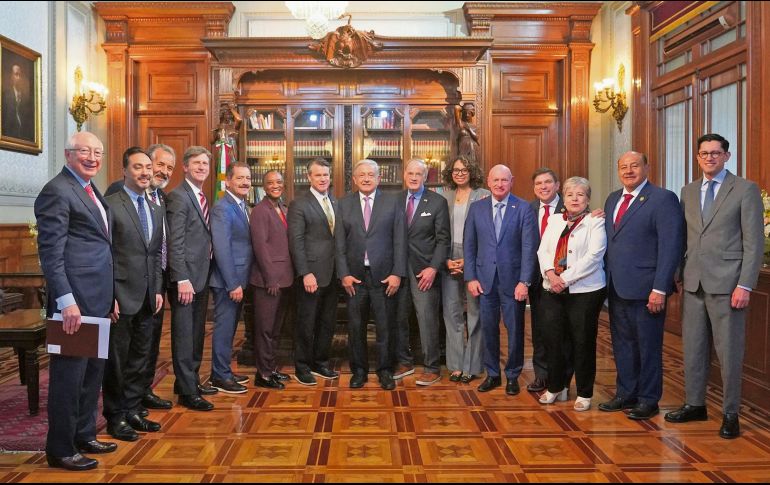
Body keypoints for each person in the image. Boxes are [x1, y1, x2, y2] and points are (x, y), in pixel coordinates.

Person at [665, 133, 764, 439]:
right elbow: (684, 235)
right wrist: (679, 273)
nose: (709, 157)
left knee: (729, 352)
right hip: (693, 283)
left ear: (727, 156)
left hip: (728, 284)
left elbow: (754, 242)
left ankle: (730, 412)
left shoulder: (745, 189)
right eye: (704, 153)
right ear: (697, 157)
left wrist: (745, 285)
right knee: (693, 349)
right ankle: (695, 404)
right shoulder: (689, 190)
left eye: (716, 153)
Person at [35, 131, 116, 471]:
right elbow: (51, 253)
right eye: (84, 151)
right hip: (74, 304)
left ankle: (84, 434)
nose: (92, 157)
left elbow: (101, 246)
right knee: (69, 377)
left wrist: (111, 297)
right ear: (68, 154)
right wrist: (66, 301)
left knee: (92, 373)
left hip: (98, 299)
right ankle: (61, 448)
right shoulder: (57, 190)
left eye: (97, 151)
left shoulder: (89, 189)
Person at [599, 151, 684, 420]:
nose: (628, 171)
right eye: (623, 167)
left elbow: (671, 247)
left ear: (647, 167)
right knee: (622, 344)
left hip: (647, 289)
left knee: (648, 346)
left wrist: (660, 288)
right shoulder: (613, 199)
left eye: (634, 165)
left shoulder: (663, 199)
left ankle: (648, 399)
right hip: (617, 286)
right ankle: (626, 393)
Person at [104, 143, 177, 412]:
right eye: (141, 166)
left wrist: (157, 288)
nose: (148, 172)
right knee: (118, 359)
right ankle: (117, 413)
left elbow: (156, 251)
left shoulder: (157, 204)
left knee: (142, 354)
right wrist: (110, 294)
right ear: (125, 170)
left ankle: (135, 407)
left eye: (150, 167)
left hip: (150, 291)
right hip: (122, 293)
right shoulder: (112, 201)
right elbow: (107, 252)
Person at [464, 164, 538, 395]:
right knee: (488, 329)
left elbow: (529, 248)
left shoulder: (524, 208)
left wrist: (524, 281)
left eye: (504, 180)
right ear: (488, 181)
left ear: (511, 181)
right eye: (495, 180)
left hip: (513, 281)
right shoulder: (476, 208)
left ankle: (513, 375)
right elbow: (469, 245)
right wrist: (471, 277)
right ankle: (492, 374)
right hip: (484, 281)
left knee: (515, 330)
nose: (499, 184)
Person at [536, 177, 606, 411]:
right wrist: (550, 274)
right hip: (552, 288)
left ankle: (585, 392)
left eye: (580, 195)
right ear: (563, 198)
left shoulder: (595, 221)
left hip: (585, 292)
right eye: (570, 194)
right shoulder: (555, 220)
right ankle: (557, 387)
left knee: (582, 341)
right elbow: (542, 250)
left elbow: (594, 257)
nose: (575, 199)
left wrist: (563, 279)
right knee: (554, 341)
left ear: (587, 199)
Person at [336, 159, 407, 390]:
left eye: (371, 174)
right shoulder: (343, 204)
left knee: (386, 326)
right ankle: (359, 371)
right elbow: (339, 244)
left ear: (379, 178)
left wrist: (397, 272)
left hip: (385, 276)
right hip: (355, 278)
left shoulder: (393, 202)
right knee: (356, 327)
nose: (366, 178)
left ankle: (385, 370)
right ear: (354, 180)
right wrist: (344, 274)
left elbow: (400, 240)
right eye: (362, 175)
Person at [166, 146, 216, 411]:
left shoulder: (199, 195)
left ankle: (190, 381)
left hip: (202, 275)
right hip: (186, 280)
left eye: (205, 164)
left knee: (197, 333)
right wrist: (181, 278)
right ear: (185, 167)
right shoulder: (178, 196)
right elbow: (175, 242)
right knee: (184, 335)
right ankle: (187, 392)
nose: (201, 168)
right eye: (196, 163)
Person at [393, 158, 450, 386]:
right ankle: (404, 362)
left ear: (426, 177)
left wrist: (433, 268)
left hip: (424, 271)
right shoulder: (394, 200)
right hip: (397, 270)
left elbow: (443, 240)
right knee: (399, 318)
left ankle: (432, 367)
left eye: (419, 173)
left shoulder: (437, 202)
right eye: (410, 173)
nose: (414, 177)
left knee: (427, 319)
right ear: (404, 175)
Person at [288, 158, 340, 386]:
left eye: (326, 175)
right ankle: (302, 366)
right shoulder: (299, 204)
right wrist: (305, 272)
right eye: (318, 175)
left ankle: (320, 362)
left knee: (327, 322)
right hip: (311, 274)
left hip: (333, 273)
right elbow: (296, 242)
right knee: (306, 322)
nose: (323, 179)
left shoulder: (336, 203)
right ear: (309, 177)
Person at [440, 157, 490, 383]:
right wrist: (447, 259)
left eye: (465, 169)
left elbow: (488, 234)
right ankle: (456, 365)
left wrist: (469, 261)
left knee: (475, 314)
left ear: (473, 171)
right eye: (456, 170)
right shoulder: (444, 196)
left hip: (475, 258)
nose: (460, 173)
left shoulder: (483, 195)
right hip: (448, 258)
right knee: (452, 314)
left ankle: (473, 365)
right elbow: (437, 232)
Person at [209, 161, 253, 394]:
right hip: (228, 282)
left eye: (248, 178)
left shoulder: (241, 205)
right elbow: (222, 247)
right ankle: (220, 376)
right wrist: (233, 283)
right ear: (228, 182)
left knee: (231, 329)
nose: (245, 182)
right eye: (240, 178)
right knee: (224, 329)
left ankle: (224, 369)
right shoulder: (222, 207)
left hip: (239, 279)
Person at [250, 170, 294, 389]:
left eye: (279, 181)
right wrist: (270, 278)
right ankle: (263, 374)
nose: (275, 185)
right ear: (263, 187)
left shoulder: (283, 209)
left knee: (276, 330)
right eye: (270, 183)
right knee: (265, 329)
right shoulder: (260, 211)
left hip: (285, 279)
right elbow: (260, 247)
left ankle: (272, 368)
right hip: (268, 281)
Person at [527, 168, 566, 393]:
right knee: (540, 330)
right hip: (536, 279)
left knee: (563, 332)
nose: (543, 187)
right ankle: (541, 375)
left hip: (565, 281)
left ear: (557, 185)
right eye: (538, 183)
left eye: (548, 182)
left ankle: (561, 379)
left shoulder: (571, 206)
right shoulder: (528, 209)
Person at [2, 63, 34, 140]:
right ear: (11, 76)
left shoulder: (25, 98)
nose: (19, 78)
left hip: (24, 137)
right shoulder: (5, 95)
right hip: (9, 135)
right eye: (16, 74)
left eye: (20, 75)